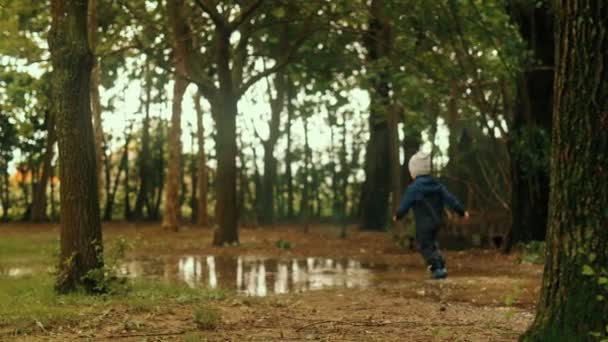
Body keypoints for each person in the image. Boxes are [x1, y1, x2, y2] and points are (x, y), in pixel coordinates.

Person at [393, 151, 469, 279]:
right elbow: (450, 199)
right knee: (432, 244)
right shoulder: (437, 185)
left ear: (415, 172)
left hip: (423, 224)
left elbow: (405, 204)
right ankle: (441, 264)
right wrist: (461, 211)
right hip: (437, 222)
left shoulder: (413, 188)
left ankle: (437, 268)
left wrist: (398, 215)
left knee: (425, 246)